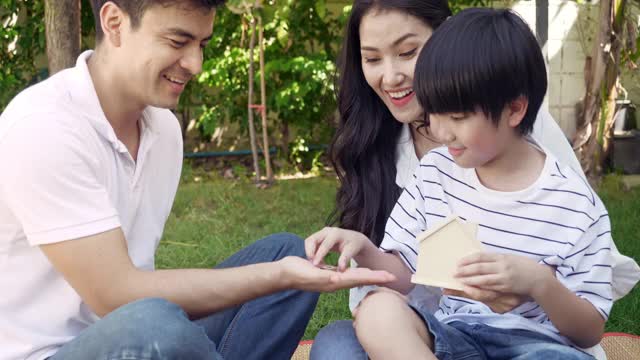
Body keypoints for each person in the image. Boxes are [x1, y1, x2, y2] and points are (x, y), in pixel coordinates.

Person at [0, 1, 396, 359]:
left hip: (138, 333)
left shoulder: (163, 131)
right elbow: (114, 296)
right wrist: (275, 277)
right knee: (157, 326)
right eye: (178, 41)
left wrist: (282, 274)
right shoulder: (44, 127)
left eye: (202, 44)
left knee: (288, 253)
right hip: (56, 351)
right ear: (115, 22)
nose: (195, 63)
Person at [310, 0, 640, 358]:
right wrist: (366, 249)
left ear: (515, 109)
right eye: (434, 112)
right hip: (454, 337)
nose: (440, 131)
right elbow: (406, 275)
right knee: (364, 321)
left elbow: (589, 329)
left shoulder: (573, 204)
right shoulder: (435, 173)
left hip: (538, 345)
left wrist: (538, 283)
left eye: (457, 115)